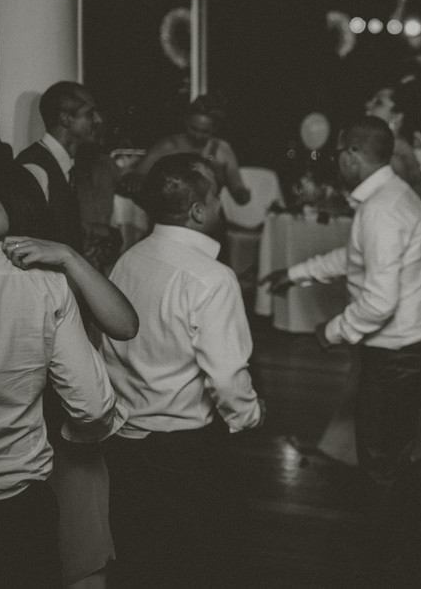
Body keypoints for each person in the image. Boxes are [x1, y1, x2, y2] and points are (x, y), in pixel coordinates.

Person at [261, 117, 421, 578]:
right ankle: (404, 543)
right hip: (416, 348)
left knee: (379, 464)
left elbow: (378, 302)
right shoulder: (392, 196)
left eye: (339, 154)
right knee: (392, 455)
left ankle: (381, 563)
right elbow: (356, 258)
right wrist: (298, 272)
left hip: (400, 355)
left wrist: (332, 331)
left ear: (351, 155)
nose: (336, 162)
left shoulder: (381, 209)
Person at [0, 151, 126, 589]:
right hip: (16, 490)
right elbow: (92, 407)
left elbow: (124, 324)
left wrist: (67, 257)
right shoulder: (41, 284)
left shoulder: (47, 268)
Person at [101, 152, 264, 587]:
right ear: (198, 210)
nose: (221, 205)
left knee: (138, 556)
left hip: (123, 441)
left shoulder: (127, 261)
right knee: (190, 562)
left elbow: (110, 350)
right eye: (217, 197)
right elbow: (227, 378)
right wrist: (249, 417)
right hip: (182, 451)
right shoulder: (212, 279)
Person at [18, 81, 103, 252]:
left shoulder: (68, 166)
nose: (98, 120)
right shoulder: (34, 169)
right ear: (65, 118)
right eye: (90, 113)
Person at [136, 93, 251, 206]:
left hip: (210, 215)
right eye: (194, 128)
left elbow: (236, 186)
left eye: (205, 131)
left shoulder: (221, 148)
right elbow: (138, 177)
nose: (198, 136)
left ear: (215, 128)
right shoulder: (168, 145)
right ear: (186, 121)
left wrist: (242, 194)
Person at [366, 84, 421, 209]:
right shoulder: (377, 144)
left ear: (397, 116)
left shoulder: (410, 149)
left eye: (378, 103)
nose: (368, 105)